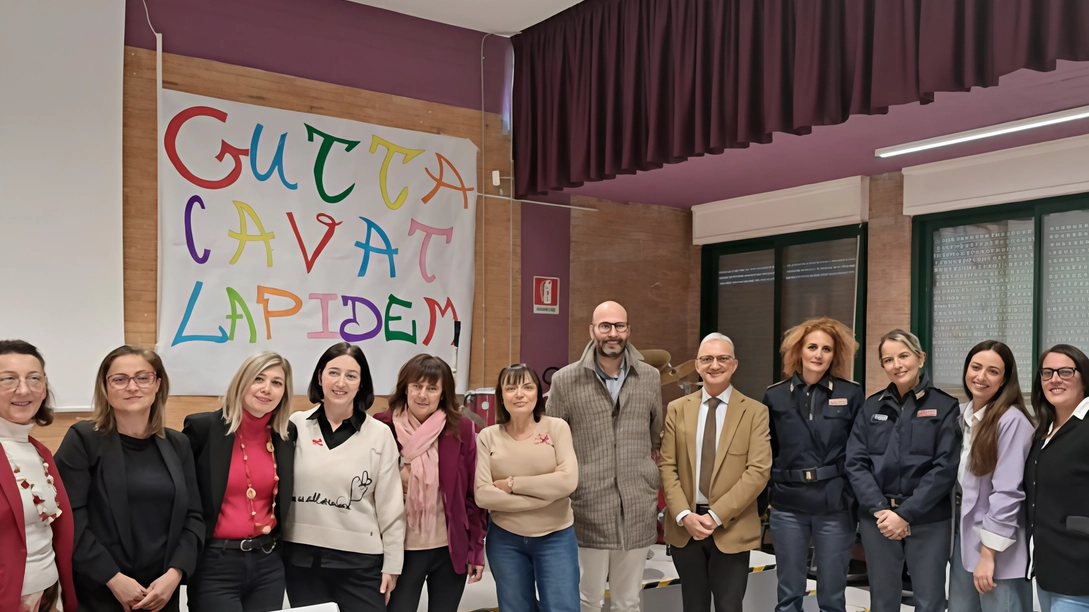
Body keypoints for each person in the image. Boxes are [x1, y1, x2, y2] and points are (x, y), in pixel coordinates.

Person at [55, 345, 204, 612]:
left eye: (143, 377)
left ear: (157, 384)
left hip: (161, 594)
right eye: (120, 379)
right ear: (105, 388)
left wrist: (175, 574)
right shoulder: (83, 439)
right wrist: (113, 579)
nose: (132, 387)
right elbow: (69, 518)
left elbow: (193, 516)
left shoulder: (178, 443)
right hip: (101, 590)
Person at [546, 300, 662, 612]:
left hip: (637, 505)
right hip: (587, 508)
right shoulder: (565, 380)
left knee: (628, 601)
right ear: (592, 330)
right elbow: (551, 444)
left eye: (619, 326)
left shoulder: (650, 377)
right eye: (605, 326)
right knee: (587, 599)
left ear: (628, 330)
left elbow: (655, 435)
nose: (613, 333)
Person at [283, 342, 405, 610]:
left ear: (361, 384)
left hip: (362, 562)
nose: (341, 383)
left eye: (351, 376)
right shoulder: (295, 425)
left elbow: (391, 507)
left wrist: (393, 565)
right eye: (333, 372)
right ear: (319, 377)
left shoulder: (380, 434)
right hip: (302, 559)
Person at [845, 329, 960, 612]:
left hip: (929, 519)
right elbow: (856, 462)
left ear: (920, 358)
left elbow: (944, 468)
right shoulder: (872, 406)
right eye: (888, 360)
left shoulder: (945, 406)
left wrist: (905, 514)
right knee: (883, 601)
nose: (897, 365)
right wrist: (883, 511)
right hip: (879, 519)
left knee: (929, 600)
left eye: (904, 356)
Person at [659, 333, 772, 611]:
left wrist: (715, 515)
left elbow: (758, 471)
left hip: (731, 527)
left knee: (729, 605)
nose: (714, 365)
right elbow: (667, 465)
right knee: (693, 605)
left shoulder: (755, 412)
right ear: (697, 365)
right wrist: (684, 515)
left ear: (734, 365)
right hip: (687, 527)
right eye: (707, 359)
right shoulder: (677, 409)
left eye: (722, 359)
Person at [762, 318, 863, 612]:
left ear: (836, 354)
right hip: (788, 506)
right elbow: (766, 451)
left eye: (826, 349)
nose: (818, 355)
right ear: (799, 351)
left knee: (832, 597)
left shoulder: (851, 393)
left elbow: (859, 451)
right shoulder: (775, 395)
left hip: (834, 505)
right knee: (789, 594)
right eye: (812, 347)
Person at [182, 352, 296, 611]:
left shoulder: (286, 434)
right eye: (259, 379)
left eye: (277, 383)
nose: (266, 389)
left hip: (268, 564)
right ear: (242, 382)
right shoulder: (203, 428)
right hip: (215, 564)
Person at [374, 354, 486, 612]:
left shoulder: (462, 429)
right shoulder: (382, 427)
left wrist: (476, 549)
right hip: (399, 550)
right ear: (405, 388)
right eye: (417, 386)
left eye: (432, 388)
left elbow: (471, 495)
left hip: (449, 549)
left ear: (443, 393)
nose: (423, 395)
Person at [476, 363, 579, 612]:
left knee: (561, 607)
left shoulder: (557, 428)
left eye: (527, 387)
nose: (519, 393)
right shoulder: (488, 436)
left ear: (538, 393)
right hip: (505, 540)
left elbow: (568, 481)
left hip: (556, 537)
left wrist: (513, 484)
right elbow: (482, 494)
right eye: (511, 388)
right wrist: (545, 497)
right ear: (501, 396)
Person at [949, 341, 1034, 612]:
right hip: (964, 541)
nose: (981, 376)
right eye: (976, 367)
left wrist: (989, 554)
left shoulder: (1012, 421)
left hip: (997, 547)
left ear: (1005, 379)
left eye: (993, 371)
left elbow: (1008, 492)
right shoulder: (962, 415)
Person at [0, 340, 78, 612]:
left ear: (44, 387)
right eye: (7, 379)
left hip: (48, 595)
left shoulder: (39, 451)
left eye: (34, 378)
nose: (24, 389)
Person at [1025, 344, 1089, 611]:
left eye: (1065, 371)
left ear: (1085, 378)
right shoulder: (1043, 431)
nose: (1055, 379)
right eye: (1047, 372)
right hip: (1049, 571)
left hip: (1081, 573)